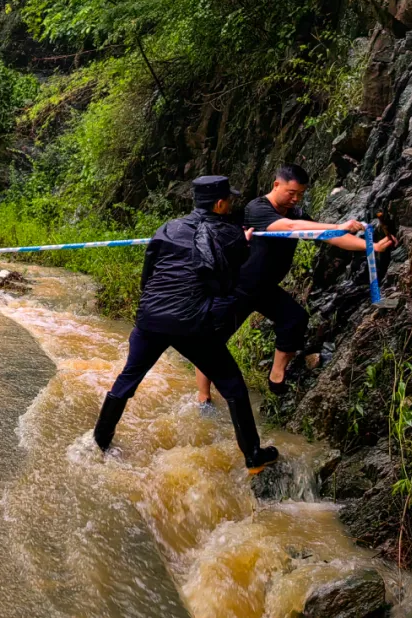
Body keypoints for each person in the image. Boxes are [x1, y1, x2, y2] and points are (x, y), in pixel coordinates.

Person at [93, 175, 280, 473]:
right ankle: (253, 456)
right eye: (228, 200)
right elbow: (231, 277)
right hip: (194, 324)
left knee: (128, 379)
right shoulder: (230, 233)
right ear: (219, 204)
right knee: (232, 386)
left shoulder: (168, 227)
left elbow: (148, 274)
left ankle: (100, 443)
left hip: (151, 319)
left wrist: (152, 310)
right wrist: (243, 245)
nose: (230, 205)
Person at [194, 164, 397, 404]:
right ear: (276, 184)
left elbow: (327, 236)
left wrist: (369, 247)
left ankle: (276, 377)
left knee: (295, 318)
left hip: (266, 288)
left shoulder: (297, 213)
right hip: (238, 287)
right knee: (211, 341)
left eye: (300, 194)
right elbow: (290, 228)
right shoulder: (256, 208)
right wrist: (337, 225)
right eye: (291, 192)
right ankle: (203, 397)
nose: (296, 198)